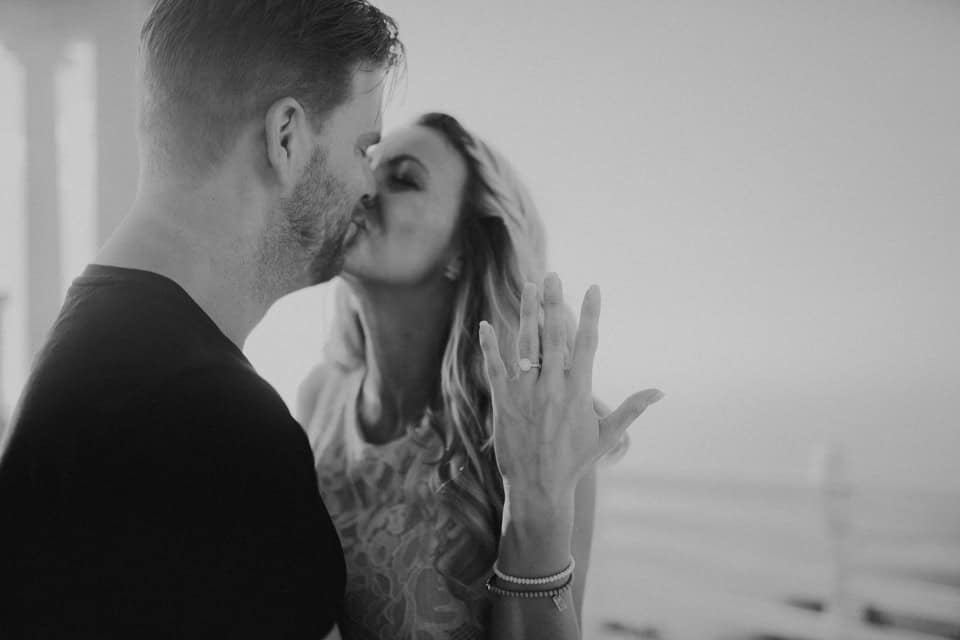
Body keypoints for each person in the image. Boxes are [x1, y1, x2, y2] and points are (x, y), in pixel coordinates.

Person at [0, 1, 402, 637]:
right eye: (363, 146)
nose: (370, 185)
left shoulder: (95, 353)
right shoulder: (220, 429)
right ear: (288, 137)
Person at [297, 113, 664, 639]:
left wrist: (535, 508)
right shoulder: (319, 400)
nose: (362, 185)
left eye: (402, 177)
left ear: (462, 250)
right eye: (366, 164)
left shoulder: (533, 429)